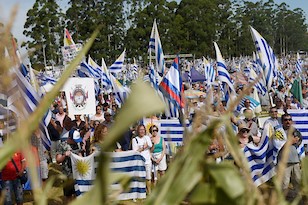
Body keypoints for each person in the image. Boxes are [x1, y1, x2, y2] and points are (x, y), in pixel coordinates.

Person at [278, 113, 303, 195]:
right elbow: (279, 145)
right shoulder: (279, 132)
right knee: (284, 184)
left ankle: (298, 200)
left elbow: (298, 142)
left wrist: (288, 142)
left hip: (295, 160)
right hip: (284, 161)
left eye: (289, 119)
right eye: (285, 120)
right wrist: (291, 141)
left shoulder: (296, 131)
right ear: (282, 121)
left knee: (298, 182)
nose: (288, 121)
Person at [56, 130, 83, 202]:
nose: (76, 142)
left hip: (77, 175)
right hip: (67, 175)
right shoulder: (62, 145)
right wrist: (65, 155)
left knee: (77, 194)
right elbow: (58, 160)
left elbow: (81, 157)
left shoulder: (77, 145)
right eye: (74, 140)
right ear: (70, 138)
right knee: (68, 195)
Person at [1, 136, 26, 205]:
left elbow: (23, 161)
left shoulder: (18, 149)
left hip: (17, 178)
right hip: (6, 179)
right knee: (8, 200)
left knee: (20, 198)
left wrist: (22, 170)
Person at [132, 124, 152, 194]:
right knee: (140, 178)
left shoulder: (147, 137)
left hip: (147, 160)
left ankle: (149, 191)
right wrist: (143, 147)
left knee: (148, 177)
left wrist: (142, 148)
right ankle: (141, 192)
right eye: (140, 130)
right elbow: (135, 151)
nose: (142, 131)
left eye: (143, 129)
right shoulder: (135, 140)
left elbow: (150, 145)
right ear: (138, 131)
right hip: (139, 161)